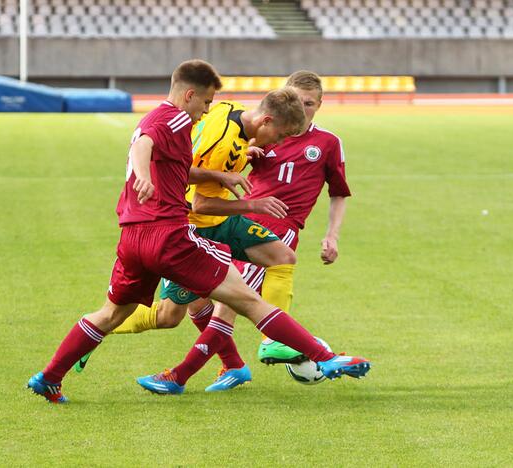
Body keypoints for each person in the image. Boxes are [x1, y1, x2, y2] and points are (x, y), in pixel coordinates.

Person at [27, 59, 371, 403]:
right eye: (205, 102)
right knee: (246, 300)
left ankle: (50, 376)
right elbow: (143, 143)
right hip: (171, 237)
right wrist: (143, 174)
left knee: (112, 314)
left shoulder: (197, 120)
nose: (207, 110)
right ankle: (325, 358)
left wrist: (216, 176)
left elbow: (172, 162)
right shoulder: (172, 116)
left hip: (132, 236)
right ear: (189, 95)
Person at [135, 71, 359, 394]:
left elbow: (339, 192)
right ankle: (234, 365)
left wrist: (332, 235)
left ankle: (184, 374)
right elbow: (222, 171)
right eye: (295, 100)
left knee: (231, 303)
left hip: (274, 230)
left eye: (308, 103)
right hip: (231, 223)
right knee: (192, 305)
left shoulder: (327, 143)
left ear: (319, 104)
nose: (302, 107)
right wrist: (245, 156)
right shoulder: (261, 134)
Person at [74, 89, 311, 390]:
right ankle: (96, 328)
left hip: (221, 221)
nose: (279, 143)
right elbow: (198, 198)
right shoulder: (220, 138)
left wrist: (242, 155)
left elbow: (211, 152)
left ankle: (266, 345)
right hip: (191, 224)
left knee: (281, 256)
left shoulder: (230, 110)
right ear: (266, 120)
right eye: (281, 135)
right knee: (170, 314)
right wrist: (251, 202)